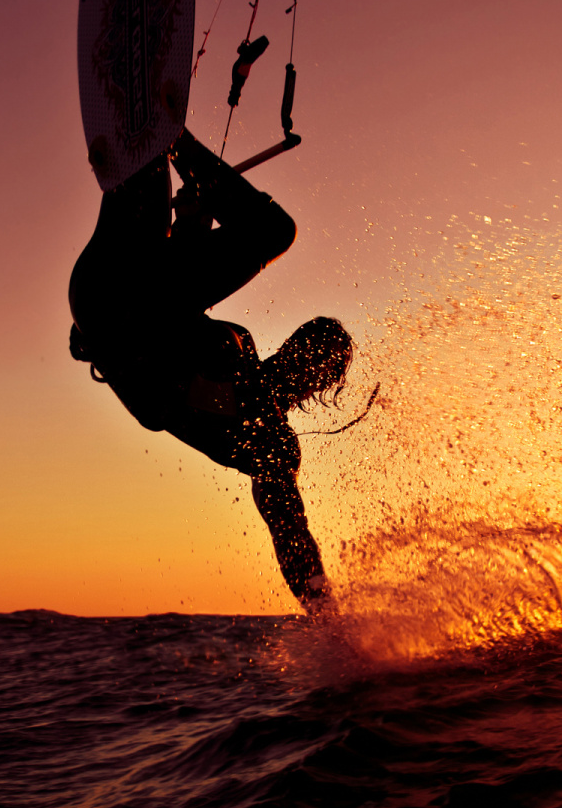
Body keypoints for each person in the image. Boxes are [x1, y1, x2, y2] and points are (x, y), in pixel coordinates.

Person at [70, 130, 351, 612]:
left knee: (273, 230)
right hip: (127, 287)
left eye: (314, 362)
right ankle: (160, 133)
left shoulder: (271, 442)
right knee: (148, 162)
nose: (299, 359)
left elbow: (289, 527)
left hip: (111, 311)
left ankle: (171, 137)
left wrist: (321, 605)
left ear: (316, 386)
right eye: (305, 344)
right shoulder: (241, 352)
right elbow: (179, 313)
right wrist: (192, 226)